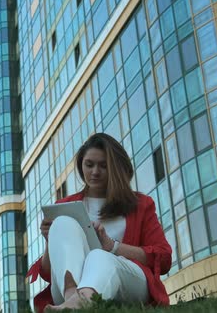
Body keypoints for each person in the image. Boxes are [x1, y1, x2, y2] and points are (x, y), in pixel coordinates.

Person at [26, 133, 172, 312]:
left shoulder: (141, 205)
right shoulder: (64, 205)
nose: (95, 172)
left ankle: (81, 302)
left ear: (117, 168)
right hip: (65, 291)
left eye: (103, 166)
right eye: (89, 165)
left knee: (99, 256)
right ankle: (74, 300)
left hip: (129, 286)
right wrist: (51, 239)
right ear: (81, 165)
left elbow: (164, 259)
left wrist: (113, 247)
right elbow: (48, 273)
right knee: (63, 222)